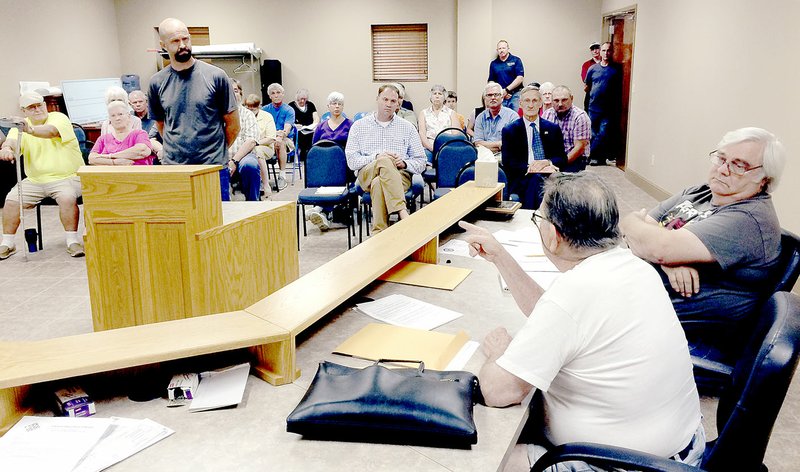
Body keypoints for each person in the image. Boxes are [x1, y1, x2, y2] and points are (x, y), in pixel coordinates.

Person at [460, 172, 704, 472]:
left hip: (621, 465)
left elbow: (499, 392)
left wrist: (499, 353)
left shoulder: (574, 294)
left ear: (554, 235)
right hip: (679, 452)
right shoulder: (634, 267)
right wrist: (501, 257)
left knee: (478, 460)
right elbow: (553, 312)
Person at [620, 127, 785, 348]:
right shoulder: (700, 192)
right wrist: (669, 261)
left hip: (668, 329)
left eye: (739, 165)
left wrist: (660, 249)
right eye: (721, 158)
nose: (723, 170)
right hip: (641, 298)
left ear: (764, 178)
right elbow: (629, 230)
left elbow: (655, 244)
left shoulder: (749, 218)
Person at [148, 17, 240, 199]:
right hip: (175, 168)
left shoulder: (216, 76)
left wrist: (214, 150)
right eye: (175, 41)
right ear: (163, 45)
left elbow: (233, 126)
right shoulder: (156, 82)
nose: (183, 45)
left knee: (218, 222)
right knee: (181, 224)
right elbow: (161, 125)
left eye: (186, 39)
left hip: (212, 167)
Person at [0, 92, 85, 259]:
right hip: (35, 180)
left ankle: (72, 241)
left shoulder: (59, 118)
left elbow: (51, 132)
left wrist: (29, 130)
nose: (37, 109)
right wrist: (7, 149)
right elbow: (11, 141)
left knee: (67, 198)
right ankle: (8, 243)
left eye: (40, 105)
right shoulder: (20, 126)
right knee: (11, 201)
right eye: (32, 107)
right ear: (24, 111)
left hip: (67, 177)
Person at [345, 84, 426, 233]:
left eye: (393, 101)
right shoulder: (359, 126)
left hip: (399, 175)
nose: (389, 104)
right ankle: (402, 211)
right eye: (385, 99)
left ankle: (379, 233)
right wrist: (376, 158)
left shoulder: (407, 127)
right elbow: (351, 161)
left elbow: (421, 162)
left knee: (378, 183)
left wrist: (404, 163)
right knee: (383, 160)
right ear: (377, 99)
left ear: (398, 103)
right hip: (366, 175)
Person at [501, 86, 566, 210]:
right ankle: (537, 215)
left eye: (535, 101)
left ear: (541, 103)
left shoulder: (553, 128)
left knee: (543, 181)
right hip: (523, 177)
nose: (531, 105)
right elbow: (508, 162)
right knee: (536, 180)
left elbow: (562, 158)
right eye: (527, 101)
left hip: (550, 176)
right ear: (520, 104)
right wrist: (531, 168)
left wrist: (546, 162)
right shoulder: (510, 130)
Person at [309, 91, 353, 231]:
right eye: (334, 104)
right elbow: (315, 148)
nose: (337, 107)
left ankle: (320, 208)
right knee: (324, 171)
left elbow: (353, 147)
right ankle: (324, 212)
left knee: (331, 173)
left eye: (340, 104)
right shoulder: (321, 126)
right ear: (328, 106)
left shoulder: (350, 125)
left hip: (343, 165)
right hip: (324, 165)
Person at [584, 41, 622, 165]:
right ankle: (597, 158)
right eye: (604, 50)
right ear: (600, 52)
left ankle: (594, 156)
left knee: (603, 133)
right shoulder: (592, 69)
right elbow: (587, 86)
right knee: (593, 134)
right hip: (593, 107)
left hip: (608, 109)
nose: (606, 53)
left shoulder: (616, 69)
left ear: (612, 52)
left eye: (609, 50)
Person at [226, 79, 262, 201]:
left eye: (235, 90)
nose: (233, 93)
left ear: (240, 94)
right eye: (229, 90)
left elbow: (251, 141)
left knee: (250, 165)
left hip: (243, 157)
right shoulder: (215, 115)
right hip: (220, 157)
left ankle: (252, 203)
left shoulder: (248, 115)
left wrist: (234, 161)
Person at [542, 85, 591, 172]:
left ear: (571, 98)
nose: (560, 104)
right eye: (556, 100)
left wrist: (558, 164)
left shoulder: (580, 117)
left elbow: (579, 148)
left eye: (564, 100)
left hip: (574, 159)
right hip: (552, 159)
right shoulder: (546, 115)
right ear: (552, 101)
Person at [88, 100, 153, 166]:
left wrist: (109, 156)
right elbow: (92, 159)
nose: (117, 118)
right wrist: (115, 162)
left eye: (120, 114)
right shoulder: (103, 139)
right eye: (113, 116)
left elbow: (142, 151)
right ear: (109, 119)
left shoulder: (140, 134)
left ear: (128, 116)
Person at [262, 83, 295, 190]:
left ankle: (282, 176)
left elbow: (287, 129)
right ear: (269, 96)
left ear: (283, 94)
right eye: (273, 93)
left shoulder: (289, 110)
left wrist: (280, 135)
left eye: (278, 93)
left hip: (285, 139)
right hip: (269, 138)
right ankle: (262, 179)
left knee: (280, 142)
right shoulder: (264, 110)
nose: (276, 95)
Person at [244, 93, 277, 195]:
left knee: (257, 152)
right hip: (246, 146)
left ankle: (265, 185)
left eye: (253, 109)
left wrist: (255, 143)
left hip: (265, 147)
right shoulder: (243, 116)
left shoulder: (267, 117)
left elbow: (271, 138)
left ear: (259, 107)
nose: (250, 111)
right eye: (248, 109)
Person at [473, 82, 518, 154]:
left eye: (496, 95)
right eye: (489, 95)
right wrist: (499, 144)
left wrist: (486, 145)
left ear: (502, 98)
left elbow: (513, 144)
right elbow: (478, 143)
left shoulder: (512, 116)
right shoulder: (480, 117)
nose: (493, 98)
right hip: (485, 157)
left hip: (506, 156)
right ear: (485, 98)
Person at [418, 84, 458, 162]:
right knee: (425, 159)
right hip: (429, 148)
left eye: (440, 94)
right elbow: (422, 135)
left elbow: (455, 134)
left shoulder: (451, 113)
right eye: (434, 93)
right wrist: (433, 149)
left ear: (444, 97)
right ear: (430, 97)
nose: (437, 96)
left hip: (447, 147)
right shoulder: (423, 113)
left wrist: (445, 149)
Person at [488, 40, 525, 111]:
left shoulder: (516, 60)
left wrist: (507, 90)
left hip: (516, 95)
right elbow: (491, 81)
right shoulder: (494, 64)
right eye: (499, 49)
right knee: (501, 117)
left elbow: (520, 78)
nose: (501, 50)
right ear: (497, 50)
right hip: (501, 96)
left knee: (515, 118)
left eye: (503, 48)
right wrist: (500, 92)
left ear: (508, 48)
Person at [289, 88, 319, 162]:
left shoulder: (310, 105)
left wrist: (314, 124)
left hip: (309, 129)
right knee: (299, 135)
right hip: (298, 129)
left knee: (314, 134)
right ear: (297, 98)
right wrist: (295, 125)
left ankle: (310, 155)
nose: (302, 101)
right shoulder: (291, 106)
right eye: (300, 99)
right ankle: (300, 155)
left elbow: (316, 118)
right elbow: (289, 120)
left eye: (304, 99)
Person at [581, 42, 602, 110]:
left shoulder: (605, 62)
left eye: (597, 48)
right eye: (593, 49)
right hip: (590, 94)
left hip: (604, 95)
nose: (595, 51)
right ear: (591, 51)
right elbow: (586, 80)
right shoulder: (586, 65)